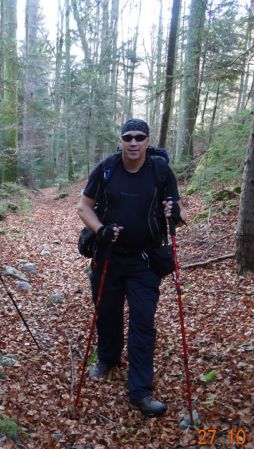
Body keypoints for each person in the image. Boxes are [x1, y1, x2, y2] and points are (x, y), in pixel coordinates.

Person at [77, 119, 184, 417]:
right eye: (128, 137)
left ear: (148, 141)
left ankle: (140, 390)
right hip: (109, 256)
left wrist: (173, 212)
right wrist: (99, 230)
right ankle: (108, 359)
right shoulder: (107, 168)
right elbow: (84, 206)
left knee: (142, 322)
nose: (134, 142)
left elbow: (174, 212)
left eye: (140, 137)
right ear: (121, 140)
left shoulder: (160, 171)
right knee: (107, 312)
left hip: (145, 261)